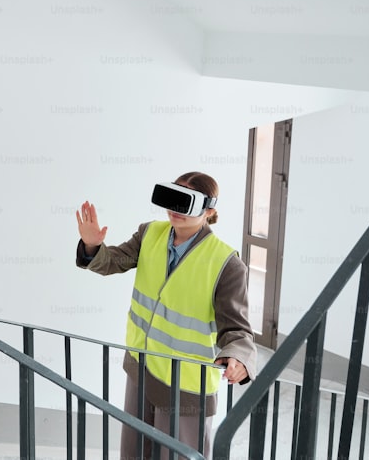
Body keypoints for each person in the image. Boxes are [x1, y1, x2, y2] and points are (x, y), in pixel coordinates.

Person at [74, 172, 256, 460]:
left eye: (186, 202)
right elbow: (112, 262)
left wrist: (238, 357)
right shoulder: (150, 234)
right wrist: (93, 247)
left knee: (179, 456)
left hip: (186, 385)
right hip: (141, 369)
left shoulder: (227, 264)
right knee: (134, 452)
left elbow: (238, 328)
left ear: (208, 210)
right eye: (173, 197)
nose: (175, 208)